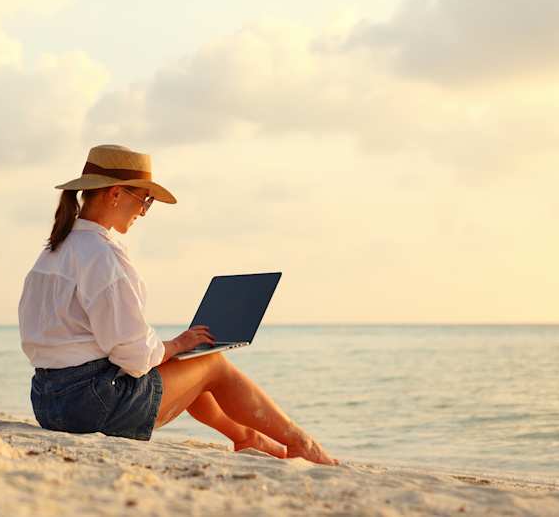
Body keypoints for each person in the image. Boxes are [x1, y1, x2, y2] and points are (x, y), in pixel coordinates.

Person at [18, 144, 337, 464]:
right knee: (212, 365)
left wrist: (173, 350)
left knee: (187, 363)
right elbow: (133, 355)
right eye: (145, 199)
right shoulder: (103, 257)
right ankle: (301, 443)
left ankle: (247, 437)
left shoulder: (54, 251)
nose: (143, 211)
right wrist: (172, 346)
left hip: (49, 402)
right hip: (92, 408)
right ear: (115, 194)